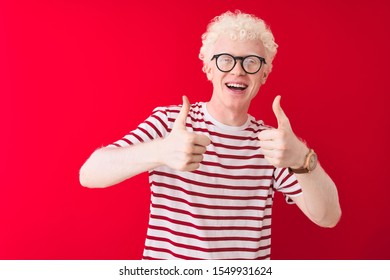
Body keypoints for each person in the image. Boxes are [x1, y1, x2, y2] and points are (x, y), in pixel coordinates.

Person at [79, 10, 341, 260]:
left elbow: (329, 217)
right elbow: (89, 173)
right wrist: (160, 151)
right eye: (226, 59)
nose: (238, 71)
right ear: (208, 68)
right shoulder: (170, 124)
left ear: (264, 73)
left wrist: (300, 158)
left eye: (251, 62)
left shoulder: (274, 145)